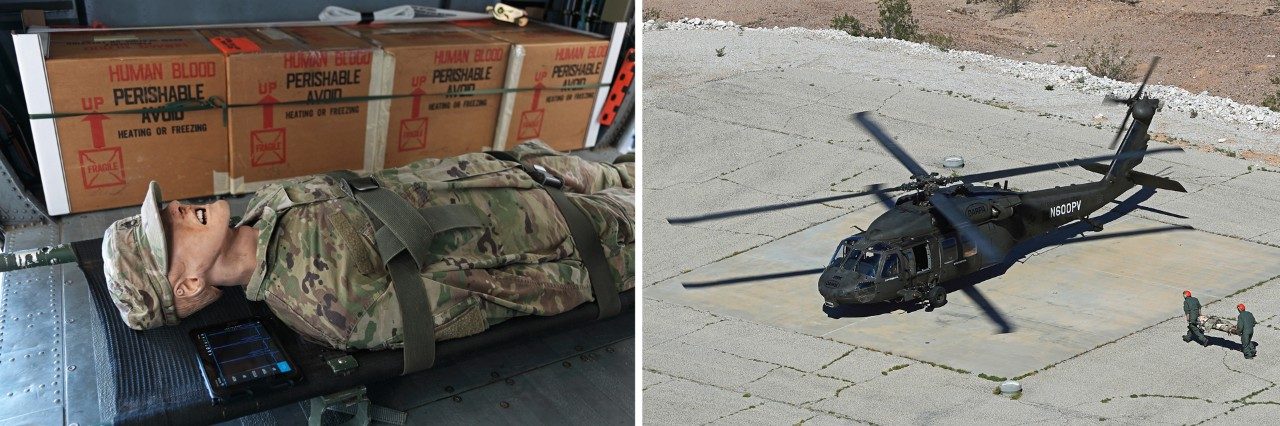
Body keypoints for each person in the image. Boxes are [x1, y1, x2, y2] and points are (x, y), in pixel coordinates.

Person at [102, 140, 634, 352]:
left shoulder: (270, 202)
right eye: (168, 234)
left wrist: (516, 162)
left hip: (529, 173)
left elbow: (401, 179)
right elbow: (496, 295)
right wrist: (610, 268)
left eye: (165, 209)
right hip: (574, 232)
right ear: (189, 283)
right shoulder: (330, 309)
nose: (176, 211)